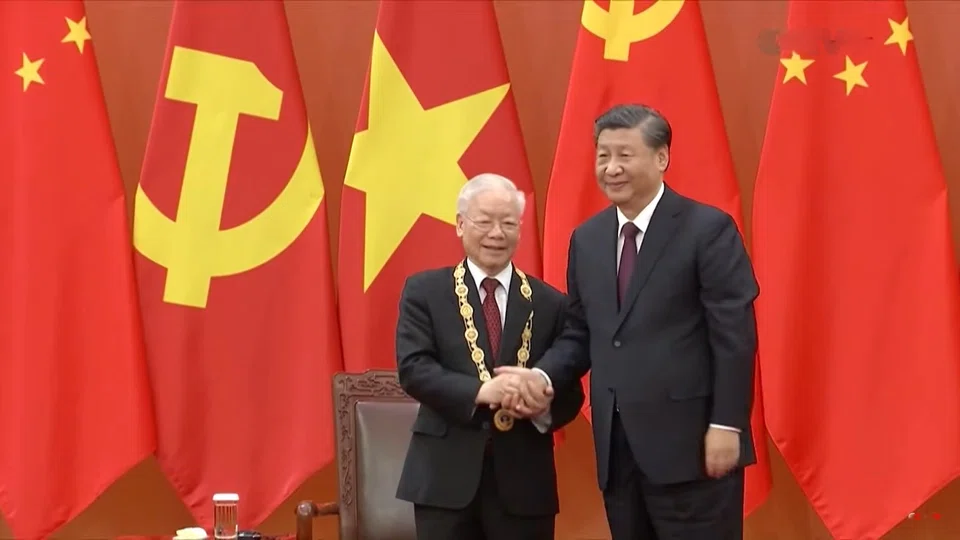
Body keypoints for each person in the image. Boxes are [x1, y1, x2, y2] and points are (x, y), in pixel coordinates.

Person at [497, 104, 759, 539]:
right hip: (618, 451)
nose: (612, 168)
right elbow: (582, 332)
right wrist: (542, 376)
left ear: (661, 158)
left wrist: (727, 424)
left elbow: (734, 337)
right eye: (603, 156)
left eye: (625, 155)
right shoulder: (588, 238)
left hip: (693, 447)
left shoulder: (707, 229)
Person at [395, 173, 585, 540]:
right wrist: (484, 393)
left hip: (525, 483)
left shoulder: (550, 303)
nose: (497, 233)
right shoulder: (425, 292)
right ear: (460, 224)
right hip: (443, 480)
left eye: (508, 223)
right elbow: (414, 368)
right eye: (485, 222)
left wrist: (541, 404)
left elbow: (571, 391)